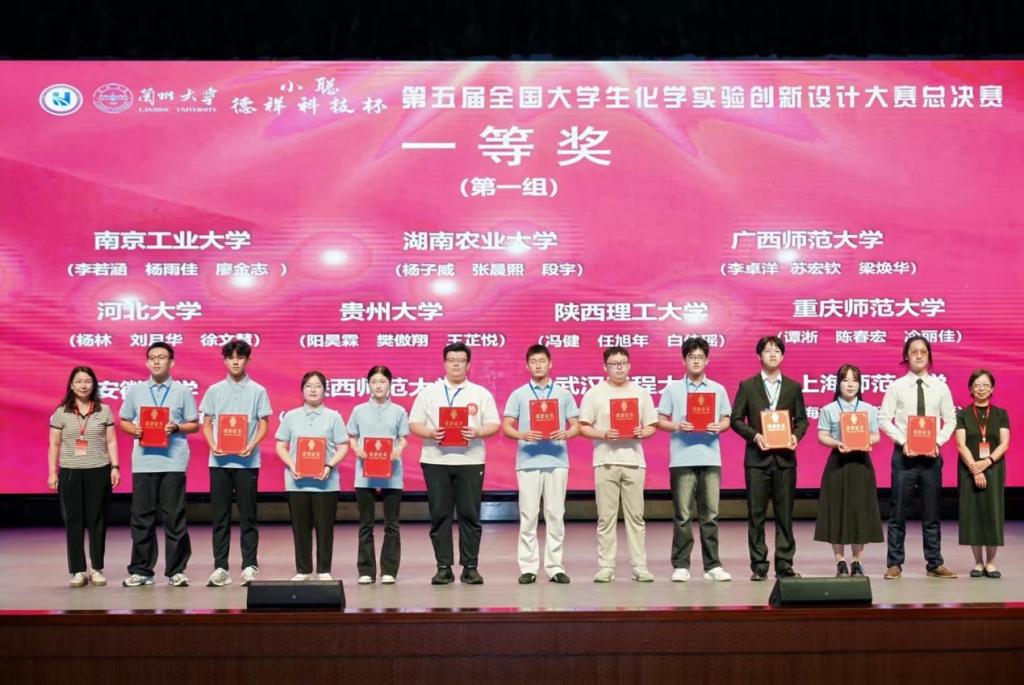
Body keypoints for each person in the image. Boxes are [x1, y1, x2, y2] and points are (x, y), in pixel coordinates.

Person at [409, 342, 500, 585]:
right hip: (435, 460)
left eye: (461, 360)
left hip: (470, 460)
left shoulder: (480, 393)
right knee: (440, 514)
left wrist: (477, 432)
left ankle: (470, 567)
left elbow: (494, 424)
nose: (456, 365)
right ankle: (443, 567)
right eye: (451, 360)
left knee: (470, 514)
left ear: (468, 365)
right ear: (444, 363)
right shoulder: (429, 392)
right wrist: (430, 433)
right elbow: (414, 423)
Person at [119, 342, 200, 587]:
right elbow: (123, 420)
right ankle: (142, 570)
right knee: (142, 517)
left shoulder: (182, 391)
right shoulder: (136, 391)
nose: (156, 361)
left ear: (171, 362)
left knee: (174, 517)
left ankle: (176, 570)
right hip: (144, 462)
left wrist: (177, 427)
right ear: (146, 362)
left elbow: (194, 424)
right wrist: (134, 429)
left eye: (161, 357)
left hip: (173, 461)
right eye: (152, 357)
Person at [878, 335, 957, 579]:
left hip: (931, 458)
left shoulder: (940, 387)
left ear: (929, 356)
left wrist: (937, 442)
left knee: (932, 513)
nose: (919, 355)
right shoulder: (897, 387)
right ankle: (894, 563)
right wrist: (904, 442)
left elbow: (951, 420)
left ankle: (934, 563)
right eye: (914, 351)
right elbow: (883, 418)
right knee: (898, 512)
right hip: (904, 458)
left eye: (923, 351)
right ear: (906, 356)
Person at [730, 335, 808, 581]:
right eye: (767, 350)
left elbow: (802, 420)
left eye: (777, 351)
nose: (772, 354)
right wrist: (754, 436)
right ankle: (759, 566)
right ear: (759, 356)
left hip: (785, 460)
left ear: (782, 356)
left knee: (785, 514)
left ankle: (784, 564)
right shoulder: (747, 386)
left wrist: (795, 435)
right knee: (757, 514)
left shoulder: (793, 387)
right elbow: (735, 419)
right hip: (757, 460)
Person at [579, 346, 658, 583]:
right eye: (614, 364)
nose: (619, 367)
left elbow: (652, 426)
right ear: (605, 367)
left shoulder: (641, 392)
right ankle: (606, 567)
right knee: (606, 518)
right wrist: (603, 434)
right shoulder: (594, 393)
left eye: (623, 362)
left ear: (629, 365)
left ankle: (639, 566)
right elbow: (584, 427)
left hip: (634, 462)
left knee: (636, 517)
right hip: (605, 461)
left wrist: (642, 431)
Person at [656, 337, 733, 583]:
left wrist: (719, 426)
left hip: (710, 458)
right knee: (682, 516)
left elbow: (727, 419)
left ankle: (713, 566)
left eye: (700, 357)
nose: (696, 361)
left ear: (707, 360)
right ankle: (681, 565)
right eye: (692, 357)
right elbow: (660, 420)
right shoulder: (672, 389)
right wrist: (677, 425)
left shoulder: (718, 389)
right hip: (682, 459)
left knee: (710, 515)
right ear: (684, 360)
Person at [502, 344, 580, 585]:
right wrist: (522, 434)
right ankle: (528, 567)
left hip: (557, 461)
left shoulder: (563, 394)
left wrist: (567, 433)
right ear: (527, 366)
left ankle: (555, 567)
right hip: (528, 462)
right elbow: (506, 426)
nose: (538, 365)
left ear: (550, 364)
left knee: (555, 514)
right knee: (528, 515)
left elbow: (576, 425)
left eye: (542, 361)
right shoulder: (518, 394)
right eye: (533, 361)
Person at [200, 339, 272, 588]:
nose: (235, 362)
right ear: (225, 360)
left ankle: (249, 565)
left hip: (247, 461)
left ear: (247, 360)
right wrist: (212, 444)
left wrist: (252, 444)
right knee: (220, 516)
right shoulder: (214, 390)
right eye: (230, 357)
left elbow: (264, 424)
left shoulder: (258, 390)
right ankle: (220, 567)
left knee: (248, 515)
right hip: (218, 462)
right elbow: (207, 423)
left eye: (240, 357)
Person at [48, 366, 120, 587]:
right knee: (73, 521)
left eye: (87, 381)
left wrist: (115, 467)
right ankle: (78, 570)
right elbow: (54, 444)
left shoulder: (104, 410)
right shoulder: (61, 412)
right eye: (78, 381)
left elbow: (111, 441)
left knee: (97, 520)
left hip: (98, 469)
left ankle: (97, 568)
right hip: (70, 471)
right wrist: (52, 472)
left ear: (94, 385)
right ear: (71, 385)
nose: (83, 385)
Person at [275, 371, 348, 581]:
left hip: (326, 482)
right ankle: (303, 570)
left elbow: (343, 446)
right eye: (308, 386)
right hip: (296, 482)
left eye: (318, 386)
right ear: (302, 390)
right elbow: (280, 444)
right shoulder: (291, 416)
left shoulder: (334, 416)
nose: (313, 390)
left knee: (325, 528)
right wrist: (291, 465)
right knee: (300, 528)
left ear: (325, 390)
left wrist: (329, 465)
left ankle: (324, 569)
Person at [813, 364, 883, 577]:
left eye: (854, 380)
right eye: (845, 380)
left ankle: (857, 562)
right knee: (837, 512)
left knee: (859, 511)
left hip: (861, 465)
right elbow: (822, 435)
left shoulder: (869, 409)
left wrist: (868, 441)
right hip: (838, 465)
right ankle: (840, 561)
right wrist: (837, 443)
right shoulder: (829, 409)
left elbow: (876, 435)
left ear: (860, 384)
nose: (850, 385)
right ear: (838, 384)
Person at [347, 366, 409, 585]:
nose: (378, 386)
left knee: (392, 524)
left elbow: (403, 438)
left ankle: (389, 570)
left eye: (382, 381)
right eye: (374, 382)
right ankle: (366, 570)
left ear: (390, 384)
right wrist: (357, 449)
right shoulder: (359, 410)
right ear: (368, 385)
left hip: (392, 472)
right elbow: (352, 436)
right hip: (365, 473)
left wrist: (398, 449)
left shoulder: (399, 411)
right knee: (366, 523)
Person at [955, 369, 1010, 578]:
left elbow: (1004, 444)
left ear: (992, 388)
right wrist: (974, 468)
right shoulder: (963, 414)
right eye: (977, 385)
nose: (981, 389)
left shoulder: (1001, 414)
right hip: (968, 469)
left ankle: (991, 563)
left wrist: (986, 463)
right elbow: (960, 444)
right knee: (974, 515)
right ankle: (978, 563)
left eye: (986, 385)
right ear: (971, 388)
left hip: (993, 468)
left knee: (992, 513)